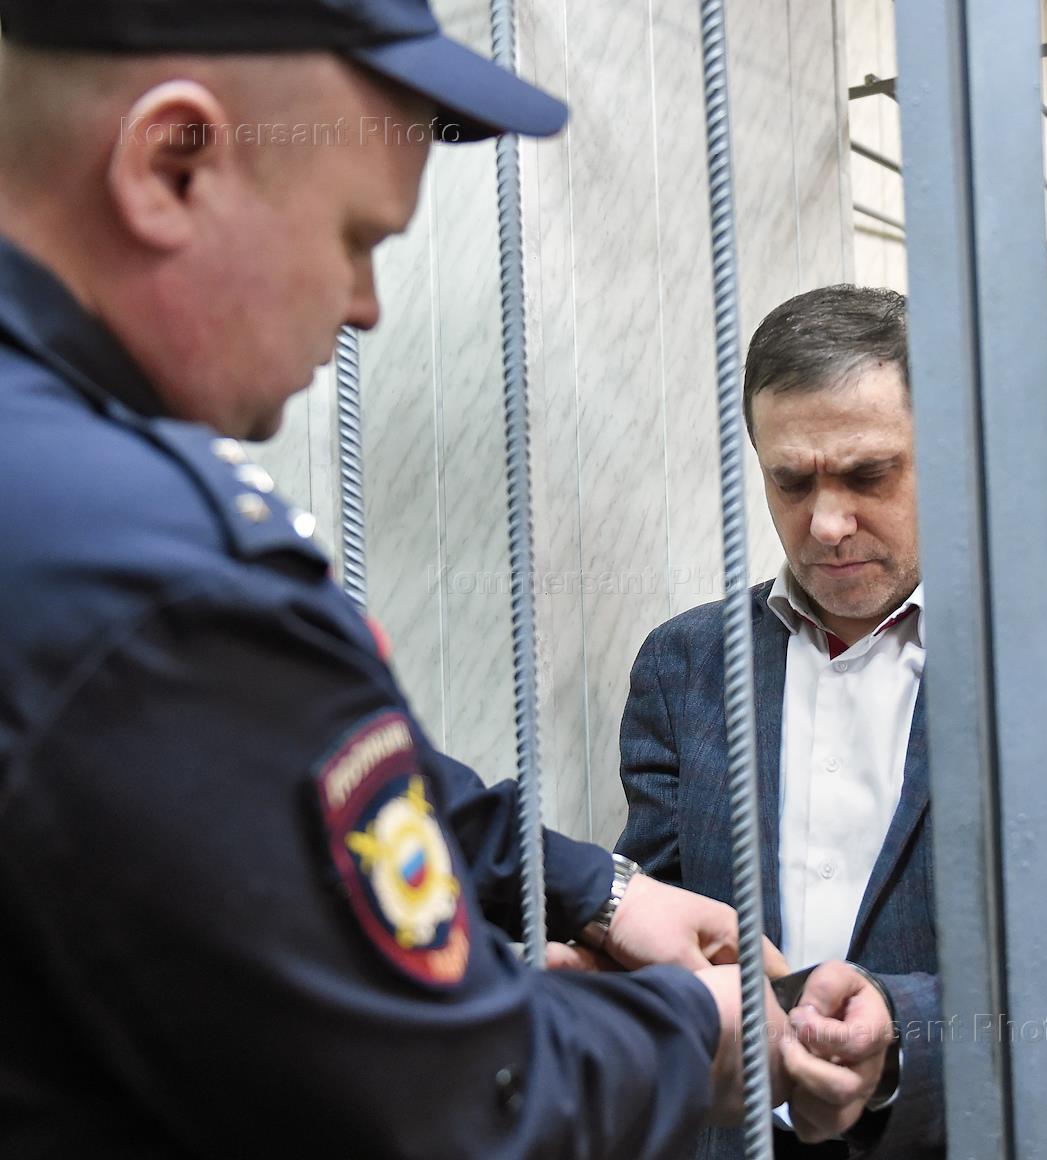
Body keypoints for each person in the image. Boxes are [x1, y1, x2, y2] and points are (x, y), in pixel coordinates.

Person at [0, 4, 891, 1155]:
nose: (365, 304)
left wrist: (598, 889)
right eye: (356, 240)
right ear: (172, 167)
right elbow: (452, 1103)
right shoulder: (155, 570)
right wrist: (695, 1028)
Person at [617, 284, 1047, 1160]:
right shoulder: (684, 664)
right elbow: (655, 930)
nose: (826, 523)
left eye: (868, 475)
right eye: (791, 481)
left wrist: (896, 1042)